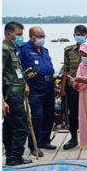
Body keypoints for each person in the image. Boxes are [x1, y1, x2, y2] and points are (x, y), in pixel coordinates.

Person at [18, 26, 57, 157]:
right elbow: (18, 68)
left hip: (49, 85)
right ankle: (34, 145)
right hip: (35, 87)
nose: (42, 39)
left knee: (49, 114)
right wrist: (25, 78)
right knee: (37, 116)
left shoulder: (44, 50)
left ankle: (45, 140)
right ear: (32, 36)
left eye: (43, 36)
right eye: (39, 36)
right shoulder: (24, 49)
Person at [2, 21, 32, 166]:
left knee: (9, 126)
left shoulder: (13, 49)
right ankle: (15, 157)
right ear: (9, 33)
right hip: (10, 95)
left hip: (18, 92)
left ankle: (10, 156)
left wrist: (25, 84)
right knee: (21, 127)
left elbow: (16, 72)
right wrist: (1, 101)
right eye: (18, 34)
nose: (21, 37)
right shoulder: (4, 50)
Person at [59, 25, 87, 150]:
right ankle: (73, 138)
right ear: (74, 35)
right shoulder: (68, 50)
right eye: (77, 34)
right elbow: (65, 69)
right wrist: (63, 87)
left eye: (82, 34)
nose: (79, 36)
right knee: (73, 114)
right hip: (72, 87)